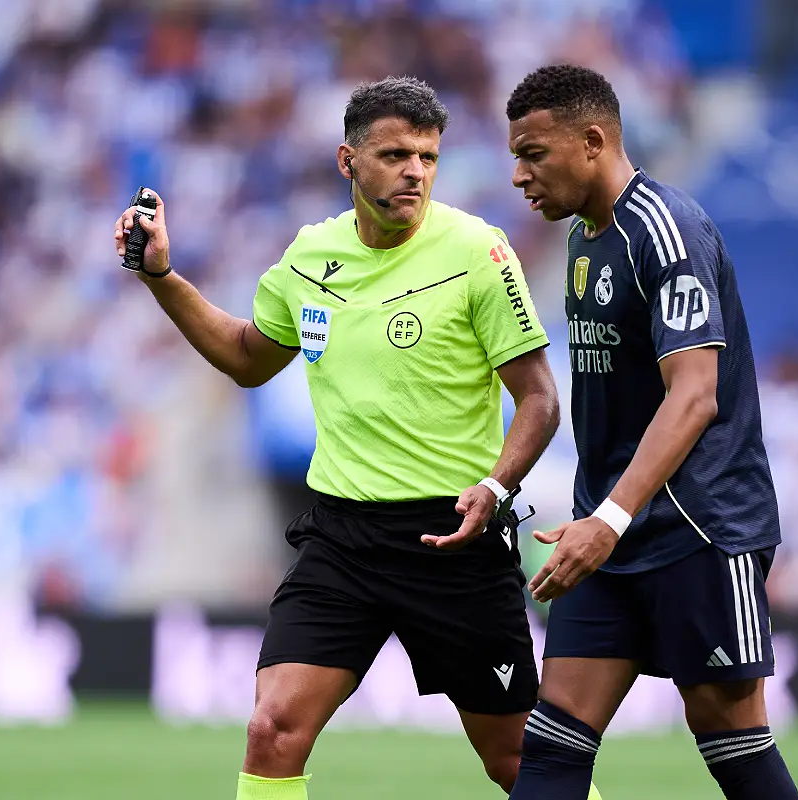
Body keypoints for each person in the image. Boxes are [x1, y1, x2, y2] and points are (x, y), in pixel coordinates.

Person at [114, 77, 590, 800]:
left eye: (428, 157)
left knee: (516, 759)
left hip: (453, 538)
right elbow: (248, 356)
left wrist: (495, 486)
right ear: (348, 161)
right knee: (273, 728)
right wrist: (162, 278)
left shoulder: (477, 252)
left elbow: (540, 401)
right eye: (397, 154)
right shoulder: (310, 256)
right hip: (343, 538)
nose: (415, 172)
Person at [504, 65, 798, 800]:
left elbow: (695, 397)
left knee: (732, 741)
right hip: (611, 533)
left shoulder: (667, 233)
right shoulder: (582, 242)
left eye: (534, 154)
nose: (518, 175)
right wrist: (602, 518)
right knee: (551, 743)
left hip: (699, 528)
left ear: (594, 140)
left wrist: (607, 518)